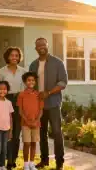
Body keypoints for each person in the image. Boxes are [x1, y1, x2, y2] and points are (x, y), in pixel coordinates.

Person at [29, 37, 68, 170]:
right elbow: (30, 84)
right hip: (38, 105)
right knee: (42, 133)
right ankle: (44, 160)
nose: (41, 47)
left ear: (47, 45)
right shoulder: (33, 65)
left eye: (43, 44)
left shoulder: (58, 63)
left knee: (57, 132)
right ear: (36, 48)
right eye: (38, 45)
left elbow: (63, 82)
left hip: (53, 103)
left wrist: (49, 92)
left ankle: (59, 162)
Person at [0, 47, 27, 169]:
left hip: (20, 100)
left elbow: (26, 88)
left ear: (19, 58)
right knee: (7, 130)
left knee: (16, 132)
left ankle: (12, 160)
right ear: (7, 57)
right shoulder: (1, 72)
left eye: (17, 55)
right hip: (6, 100)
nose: (14, 57)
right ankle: (5, 158)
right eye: (12, 55)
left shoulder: (24, 71)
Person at [17, 72, 44, 170]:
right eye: (29, 80)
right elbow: (20, 111)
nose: (31, 82)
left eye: (33, 80)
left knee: (33, 143)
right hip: (25, 123)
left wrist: (36, 120)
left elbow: (41, 110)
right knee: (27, 143)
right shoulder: (21, 95)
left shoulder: (39, 95)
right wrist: (27, 121)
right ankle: (26, 164)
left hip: (36, 123)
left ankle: (32, 163)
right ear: (25, 82)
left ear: (35, 82)